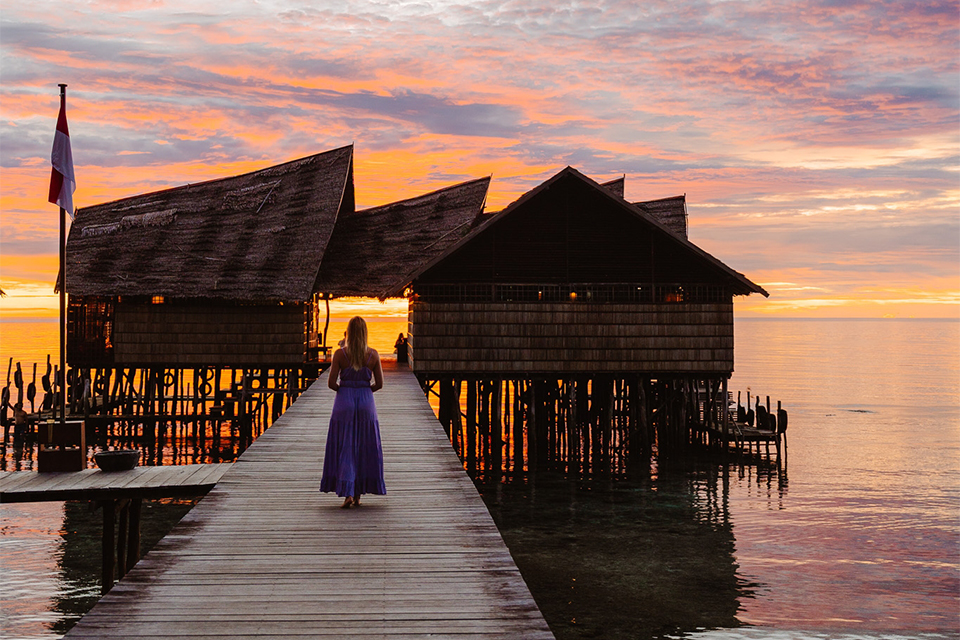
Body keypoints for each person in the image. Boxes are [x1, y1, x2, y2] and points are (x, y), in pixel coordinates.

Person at [320, 316, 386, 508]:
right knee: (364, 446)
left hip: (344, 402)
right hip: (366, 402)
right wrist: (364, 391)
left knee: (345, 446)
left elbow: (332, 383)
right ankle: (358, 494)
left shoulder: (340, 354)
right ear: (365, 333)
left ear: (348, 332)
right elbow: (380, 384)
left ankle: (347, 492)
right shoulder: (373, 355)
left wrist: (346, 389)